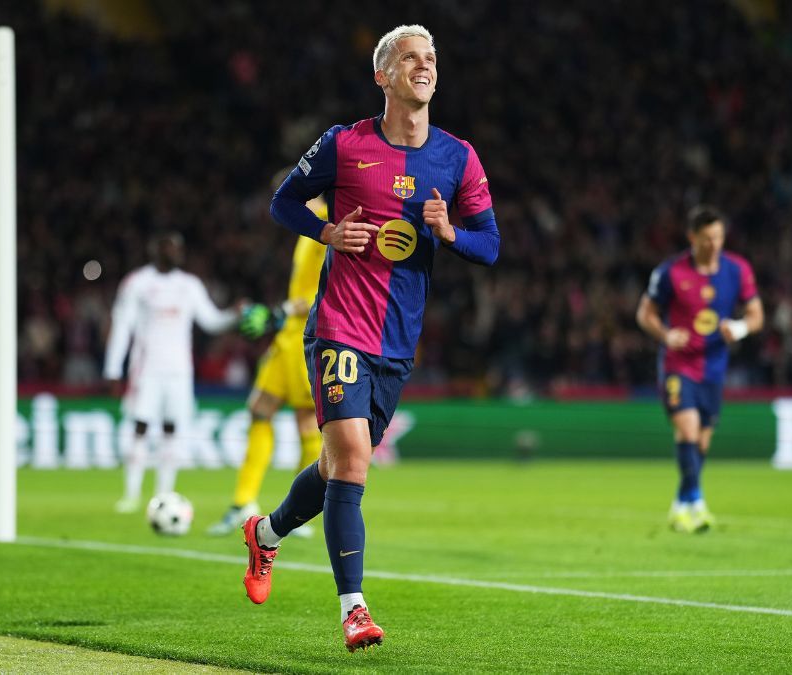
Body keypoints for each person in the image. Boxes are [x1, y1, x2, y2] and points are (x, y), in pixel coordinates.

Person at [242, 24, 500, 652]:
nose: (425, 66)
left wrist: (449, 235)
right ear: (383, 75)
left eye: (432, 58)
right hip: (337, 326)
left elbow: (489, 246)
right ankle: (354, 610)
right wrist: (326, 233)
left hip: (396, 343)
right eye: (411, 58)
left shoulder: (457, 156)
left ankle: (266, 536)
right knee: (354, 460)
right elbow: (283, 203)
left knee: (336, 467)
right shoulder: (343, 144)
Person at [636, 205, 763, 534]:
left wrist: (740, 329)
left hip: (714, 368)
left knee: (702, 443)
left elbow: (756, 315)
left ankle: (681, 505)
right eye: (707, 238)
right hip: (679, 365)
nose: (714, 244)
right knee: (688, 431)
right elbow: (645, 313)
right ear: (692, 237)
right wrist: (666, 334)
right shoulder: (671, 272)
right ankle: (698, 504)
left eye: (719, 237)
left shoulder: (737, 270)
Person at [207, 192, 328, 538]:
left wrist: (283, 311)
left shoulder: (327, 222)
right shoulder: (310, 231)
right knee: (261, 410)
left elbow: (329, 284)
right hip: (290, 335)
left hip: (306, 332)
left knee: (306, 421)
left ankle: (297, 512)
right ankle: (243, 502)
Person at [103, 231, 244, 513]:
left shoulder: (188, 285)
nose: (176, 252)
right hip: (146, 369)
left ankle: (163, 495)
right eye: (170, 247)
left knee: (171, 430)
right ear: (155, 250)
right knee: (140, 427)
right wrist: (112, 369)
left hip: (179, 371)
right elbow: (122, 327)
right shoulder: (137, 283)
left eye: (178, 248)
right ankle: (131, 494)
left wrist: (233, 314)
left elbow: (210, 321)